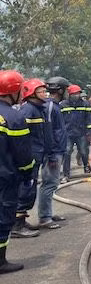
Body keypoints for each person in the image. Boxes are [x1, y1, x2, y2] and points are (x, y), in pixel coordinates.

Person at [13, 79, 61, 237]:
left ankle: (21, 220)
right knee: (25, 188)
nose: (45, 94)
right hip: (30, 157)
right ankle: (17, 225)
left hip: (38, 154)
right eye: (41, 91)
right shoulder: (28, 111)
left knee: (30, 188)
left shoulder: (38, 109)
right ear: (31, 94)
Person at [0, 70, 35, 273]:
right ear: (13, 90)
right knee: (4, 218)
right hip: (5, 177)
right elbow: (22, 154)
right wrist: (27, 173)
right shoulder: (13, 117)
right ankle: (1, 261)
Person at [62, 84, 91, 178]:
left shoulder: (85, 104)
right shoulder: (63, 105)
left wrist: (89, 133)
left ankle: (86, 168)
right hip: (68, 133)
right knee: (67, 152)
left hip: (81, 132)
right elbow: (60, 120)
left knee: (83, 151)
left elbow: (89, 119)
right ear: (69, 94)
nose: (76, 95)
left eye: (77, 93)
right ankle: (66, 174)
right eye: (74, 94)